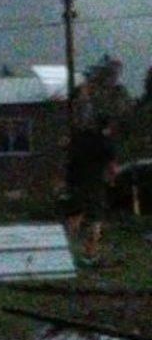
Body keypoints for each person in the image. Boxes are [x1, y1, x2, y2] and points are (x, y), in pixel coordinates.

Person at [63, 113, 120, 267]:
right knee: (95, 219)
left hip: (75, 183)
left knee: (75, 216)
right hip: (94, 185)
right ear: (108, 127)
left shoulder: (82, 138)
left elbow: (68, 153)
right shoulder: (106, 143)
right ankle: (90, 253)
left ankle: (64, 251)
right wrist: (112, 180)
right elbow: (113, 169)